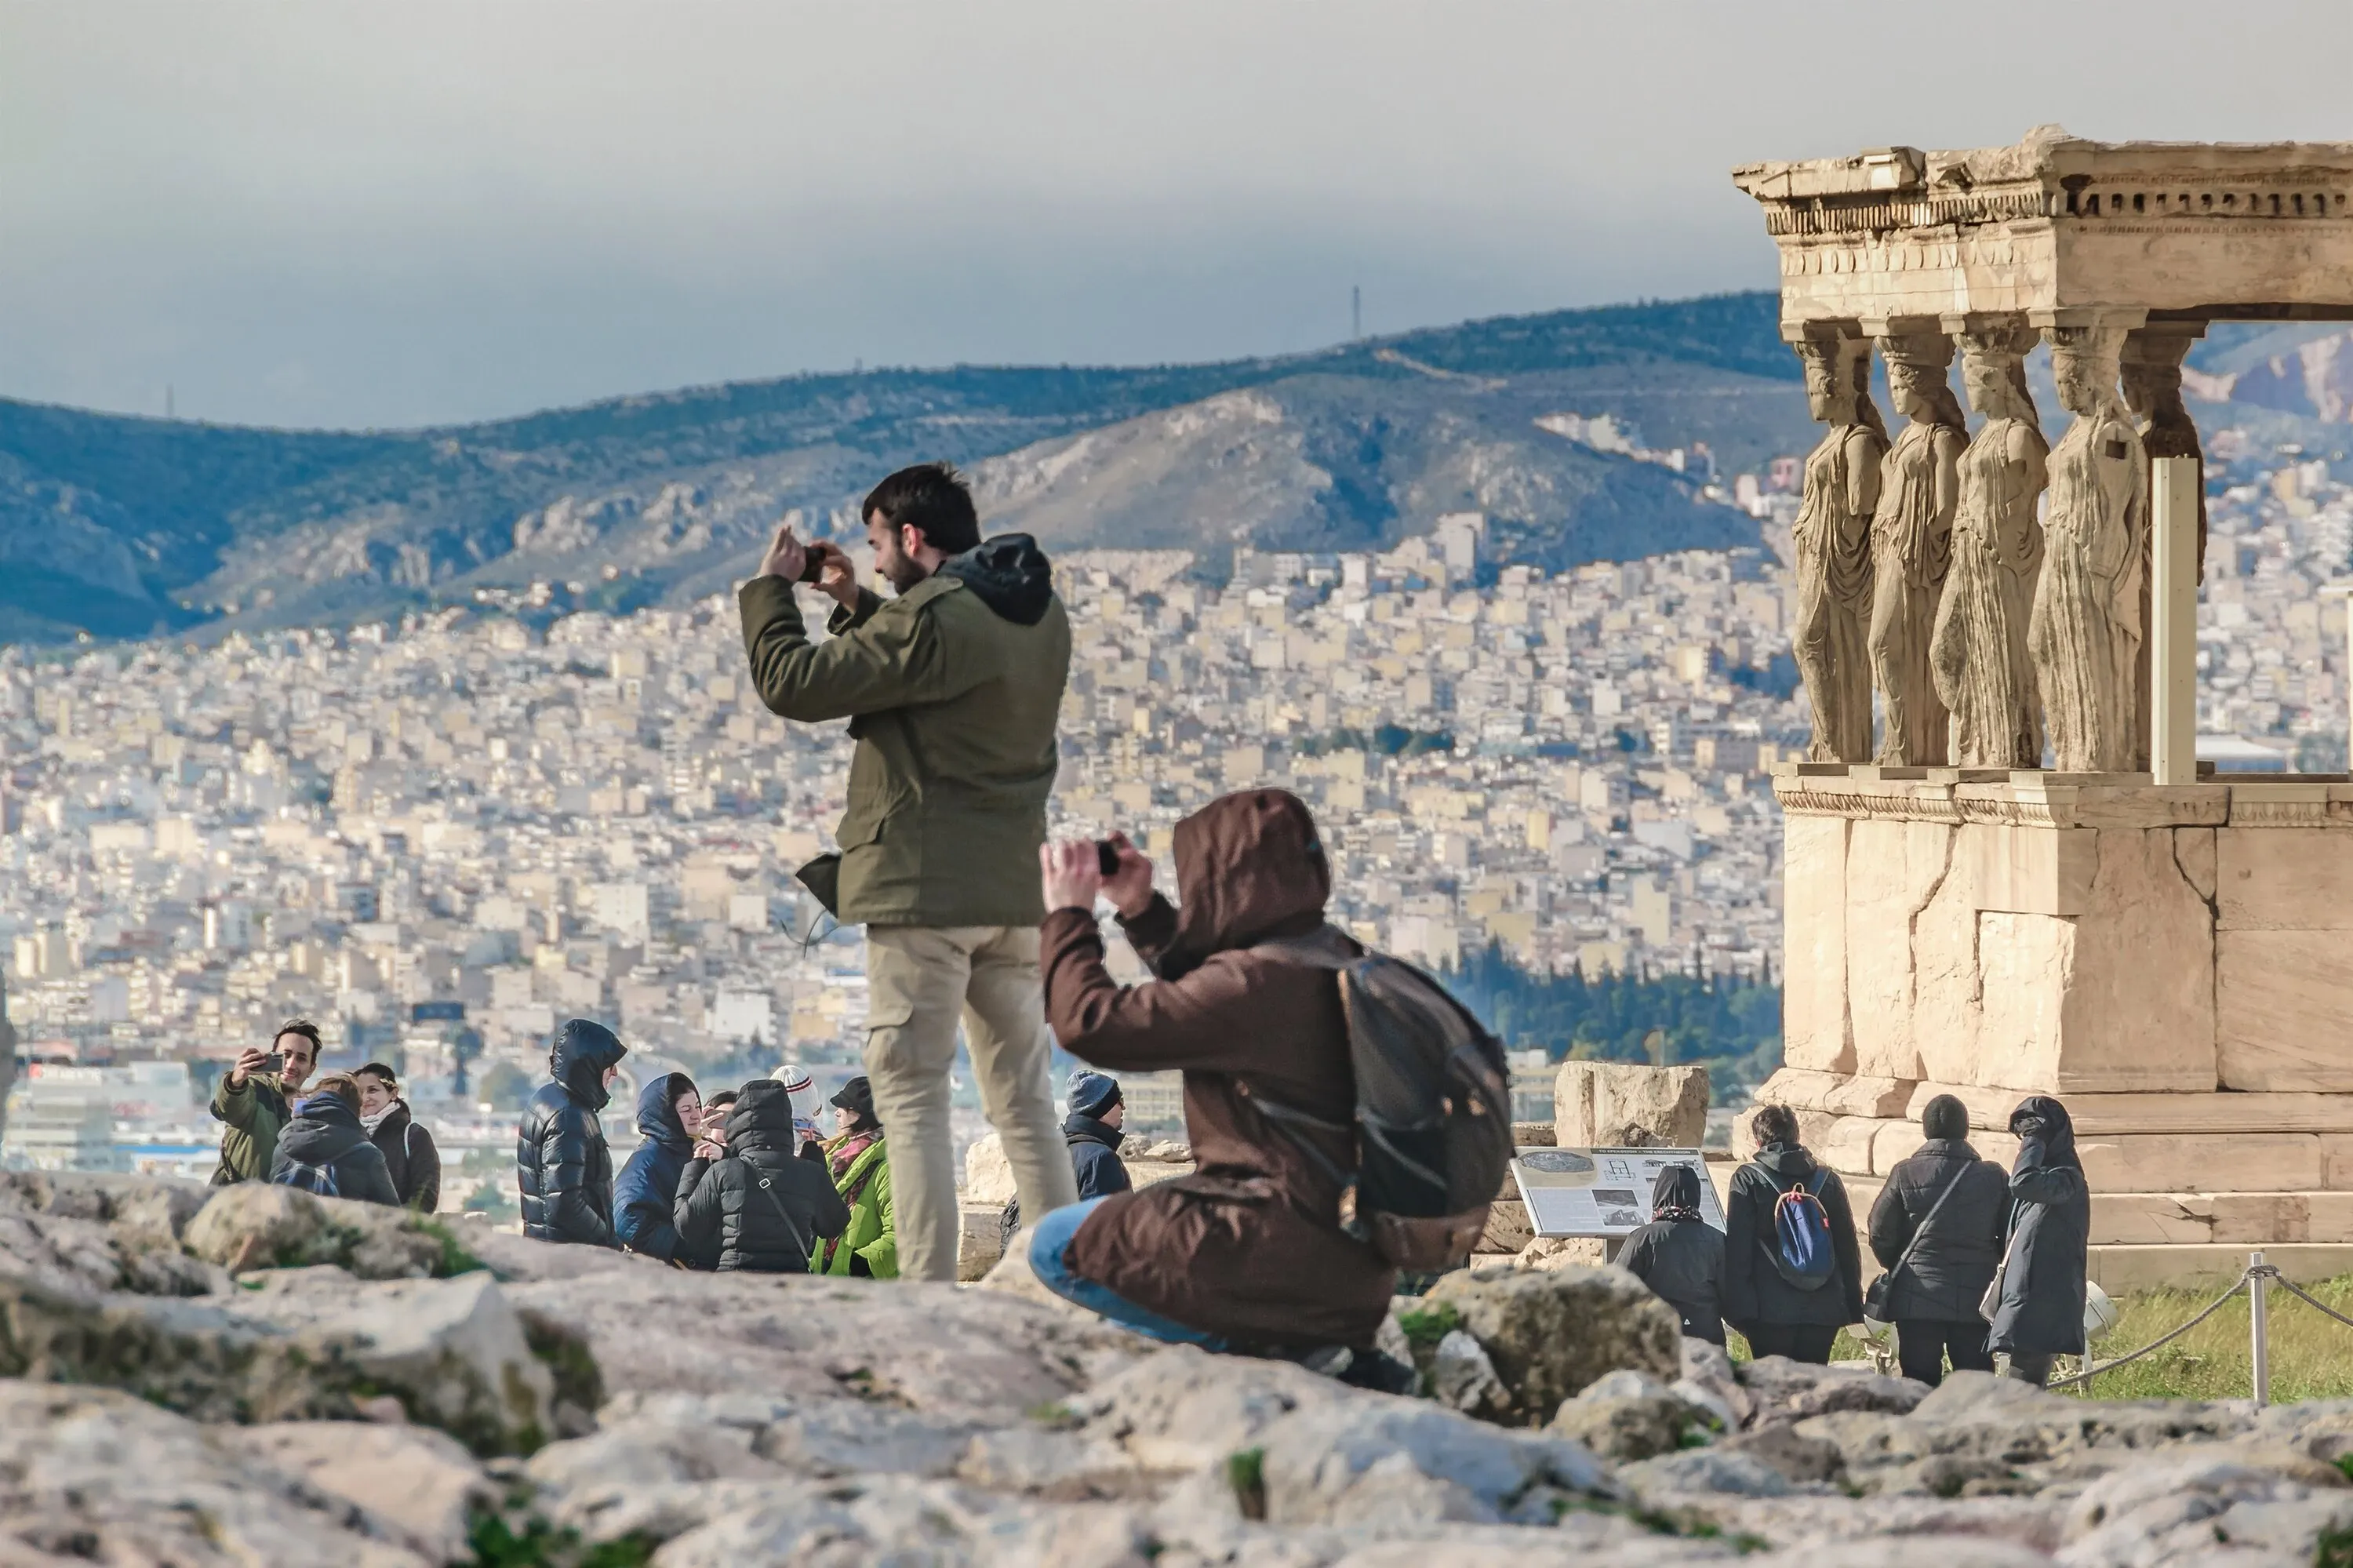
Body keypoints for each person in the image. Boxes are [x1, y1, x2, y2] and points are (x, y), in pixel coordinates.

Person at [737, 462, 1080, 1282]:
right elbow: (932, 662)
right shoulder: (1034, 616)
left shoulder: (938, 618)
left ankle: (923, 1293)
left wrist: (772, 590)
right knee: (1025, 1101)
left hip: (926, 893)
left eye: (880, 544)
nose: (879, 559)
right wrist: (856, 601)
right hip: (1011, 892)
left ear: (914, 536)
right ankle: (1071, 1275)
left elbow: (796, 683)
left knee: (913, 1094)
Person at [1028, 790, 1397, 1360]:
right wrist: (1141, 906)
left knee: (1055, 1242)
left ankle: (1246, 1349)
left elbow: (1086, 1025)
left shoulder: (1254, 984)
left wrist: (1069, 916)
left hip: (1270, 1250)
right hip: (1357, 1267)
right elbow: (1207, 995)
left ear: (1217, 878)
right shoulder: (1335, 957)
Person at [1867, 1093, 2008, 1387]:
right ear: (1966, 1130)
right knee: (1976, 1389)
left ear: (1926, 1131)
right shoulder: (1993, 1176)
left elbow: (1879, 1229)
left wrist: (1902, 1264)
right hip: (1977, 1298)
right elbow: (2010, 1234)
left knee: (1917, 1384)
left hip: (1918, 1299)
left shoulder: (1905, 1173)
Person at [1722, 1104, 1863, 1363]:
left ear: (1757, 1141)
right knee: (1812, 1388)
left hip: (1768, 1309)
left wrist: (1739, 1309)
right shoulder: (1827, 1179)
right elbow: (1846, 1246)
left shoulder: (1747, 1179)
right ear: (1797, 1136)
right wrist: (1853, 1306)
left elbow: (1739, 1249)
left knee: (1772, 1391)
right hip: (1824, 1307)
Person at [675, 1079, 850, 1273]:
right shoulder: (811, 1172)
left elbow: (687, 1227)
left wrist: (695, 1167)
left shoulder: (723, 1171)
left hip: (736, 1277)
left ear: (739, 1122)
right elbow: (834, 1224)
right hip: (791, 1282)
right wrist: (815, 1160)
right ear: (785, 1121)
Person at [1987, 1095, 2090, 1388]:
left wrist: (2035, 1140)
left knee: (2024, 1398)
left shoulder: (2066, 1180)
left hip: (2043, 1306)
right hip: (2027, 1302)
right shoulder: (2042, 1184)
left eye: (2032, 1136)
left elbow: (2021, 1182)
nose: (2025, 1142)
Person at [516, 1018, 627, 1248]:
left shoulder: (550, 1099)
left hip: (550, 1248)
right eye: (609, 1064)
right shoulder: (569, 1116)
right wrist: (607, 1238)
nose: (615, 1072)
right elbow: (564, 1204)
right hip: (570, 1255)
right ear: (589, 1065)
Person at [1620, 1164, 1726, 1345]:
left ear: (1659, 1193)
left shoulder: (1643, 1238)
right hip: (1707, 1338)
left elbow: (1617, 1288)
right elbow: (1728, 1294)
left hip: (1657, 1339)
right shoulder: (1717, 1239)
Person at [209, 1019, 322, 1185]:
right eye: (286, 1055)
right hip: (237, 1204)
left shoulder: (311, 1110)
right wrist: (235, 1082)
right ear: (273, 1056)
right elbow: (229, 1108)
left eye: (301, 1058)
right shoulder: (255, 1089)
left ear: (311, 1069)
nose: (290, 1064)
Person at [268, 1071, 402, 1205]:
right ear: (356, 1108)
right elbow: (392, 1213)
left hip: (290, 1225)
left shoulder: (283, 1145)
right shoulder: (368, 1155)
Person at [812, 1075, 896, 1279]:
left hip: (866, 1291)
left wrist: (859, 1265)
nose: (837, 1113)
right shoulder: (834, 1157)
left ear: (861, 1114)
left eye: (845, 1107)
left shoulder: (889, 1166)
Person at [614, 1071, 700, 1263]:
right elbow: (627, 1217)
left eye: (698, 1107)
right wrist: (682, 1249)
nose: (696, 1115)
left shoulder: (680, 1150)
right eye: (686, 1110)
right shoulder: (649, 1158)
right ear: (666, 1115)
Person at [355, 1061, 442, 1213]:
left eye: (373, 1090)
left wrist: (392, 1222)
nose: (365, 1097)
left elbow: (425, 1197)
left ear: (393, 1093)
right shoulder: (352, 1136)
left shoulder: (414, 1136)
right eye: (359, 1091)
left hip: (398, 1231)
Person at [1064, 1070, 1133, 1202]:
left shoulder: (1054, 1148)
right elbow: (1106, 1221)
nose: (1123, 1108)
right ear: (1103, 1109)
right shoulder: (1100, 1160)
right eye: (1119, 1101)